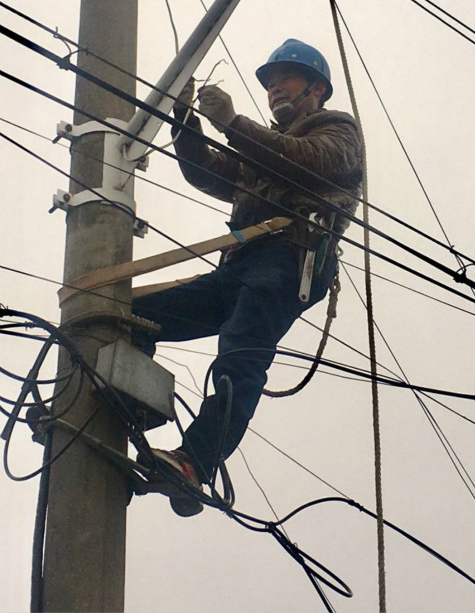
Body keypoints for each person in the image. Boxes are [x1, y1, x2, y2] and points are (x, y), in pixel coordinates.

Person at [132, 39, 363, 516]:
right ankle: (126, 401)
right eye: (270, 83)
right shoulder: (264, 148)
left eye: (286, 79)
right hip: (240, 262)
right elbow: (209, 173)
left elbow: (302, 159)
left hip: (289, 256)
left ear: (317, 89)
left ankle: (195, 462)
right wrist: (185, 119)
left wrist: (232, 123)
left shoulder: (337, 129)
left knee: (240, 352)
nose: (275, 88)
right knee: (133, 314)